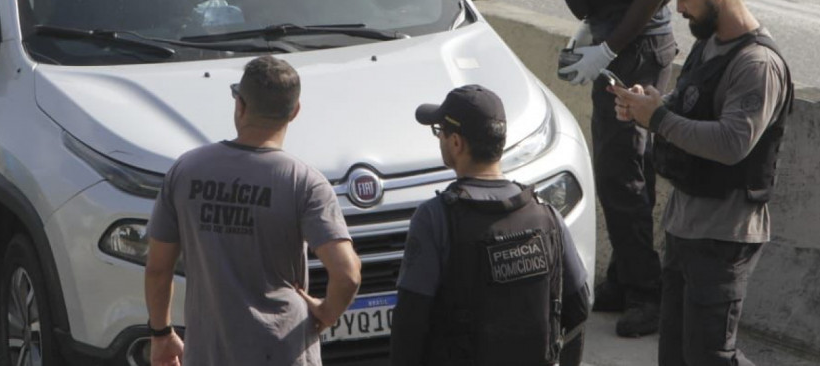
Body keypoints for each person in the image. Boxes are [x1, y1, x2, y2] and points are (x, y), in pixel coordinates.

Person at [614, 0, 792, 366]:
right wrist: (652, 102)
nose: (678, 9)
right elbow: (691, 101)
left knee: (709, 357)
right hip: (685, 227)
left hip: (723, 236)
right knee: (675, 355)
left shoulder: (757, 65)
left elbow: (732, 143)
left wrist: (658, 120)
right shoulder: (710, 43)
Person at [554, 0, 683, 336]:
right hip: (623, 42)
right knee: (621, 169)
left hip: (635, 52)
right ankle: (623, 278)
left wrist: (608, 51)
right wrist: (593, 34)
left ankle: (647, 293)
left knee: (622, 173)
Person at [144, 55, 362, 366]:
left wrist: (162, 334)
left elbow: (157, 268)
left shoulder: (186, 170)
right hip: (285, 351)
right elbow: (348, 275)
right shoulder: (305, 182)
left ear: (240, 105)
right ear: (295, 111)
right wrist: (327, 313)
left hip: (209, 353)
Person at [390, 85, 590, 366]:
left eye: (440, 132)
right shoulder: (546, 216)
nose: (440, 140)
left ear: (456, 143)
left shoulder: (435, 218)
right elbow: (579, 305)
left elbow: (409, 325)